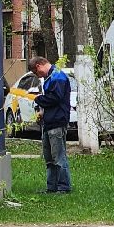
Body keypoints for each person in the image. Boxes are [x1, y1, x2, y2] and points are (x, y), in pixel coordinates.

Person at [30, 56, 72, 194]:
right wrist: (43, 113)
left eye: (36, 73)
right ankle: (51, 187)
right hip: (49, 121)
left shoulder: (57, 76)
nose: (38, 76)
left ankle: (63, 187)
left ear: (38, 66)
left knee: (58, 156)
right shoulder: (50, 78)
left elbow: (55, 98)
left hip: (57, 121)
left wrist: (38, 99)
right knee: (49, 158)